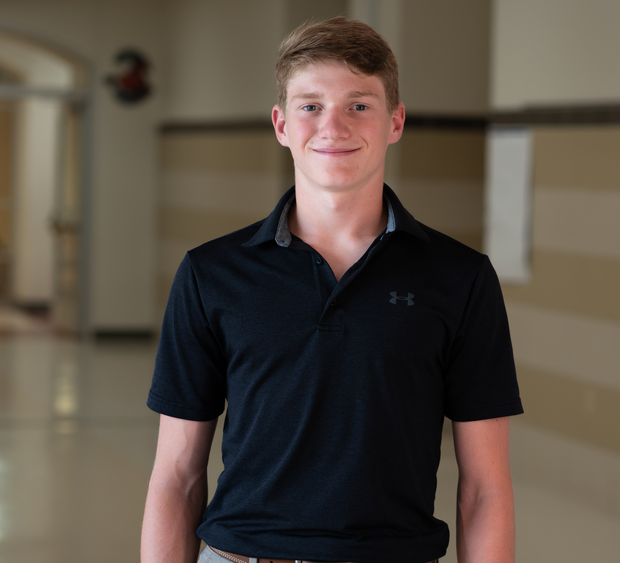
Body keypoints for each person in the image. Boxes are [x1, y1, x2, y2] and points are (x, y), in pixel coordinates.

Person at [141, 16, 522, 563]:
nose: (333, 126)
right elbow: (176, 475)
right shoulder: (212, 273)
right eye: (310, 105)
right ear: (280, 123)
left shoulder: (459, 277)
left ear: (395, 121)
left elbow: (484, 487)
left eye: (359, 105)